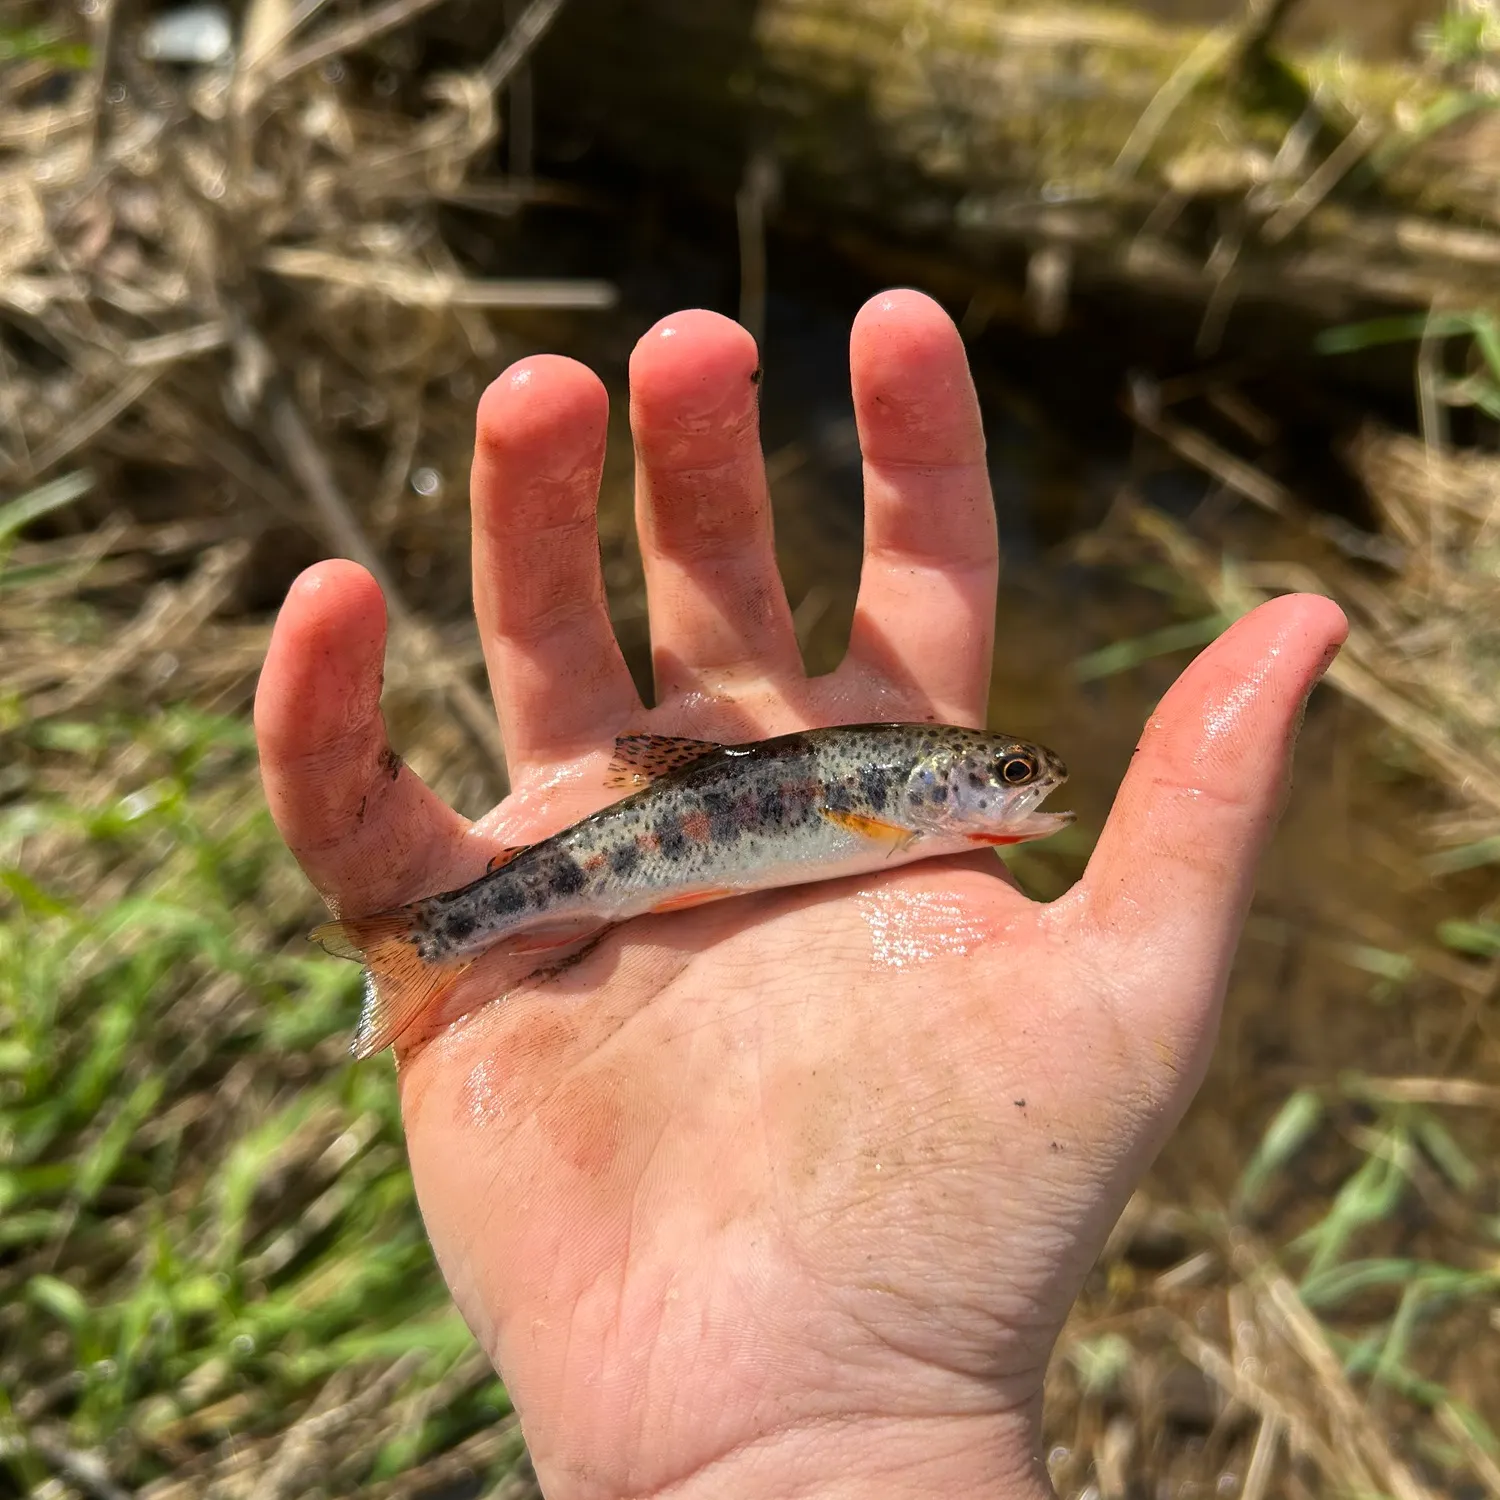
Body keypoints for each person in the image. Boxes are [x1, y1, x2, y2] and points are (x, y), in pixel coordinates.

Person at [254, 290, 1347, 1500]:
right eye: (1005, 774)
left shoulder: (902, 817)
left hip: (656, 847)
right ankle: (433, 942)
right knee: (560, 885)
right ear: (932, 787)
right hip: (636, 853)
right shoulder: (888, 815)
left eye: (1014, 774)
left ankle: (441, 939)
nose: (1026, 788)